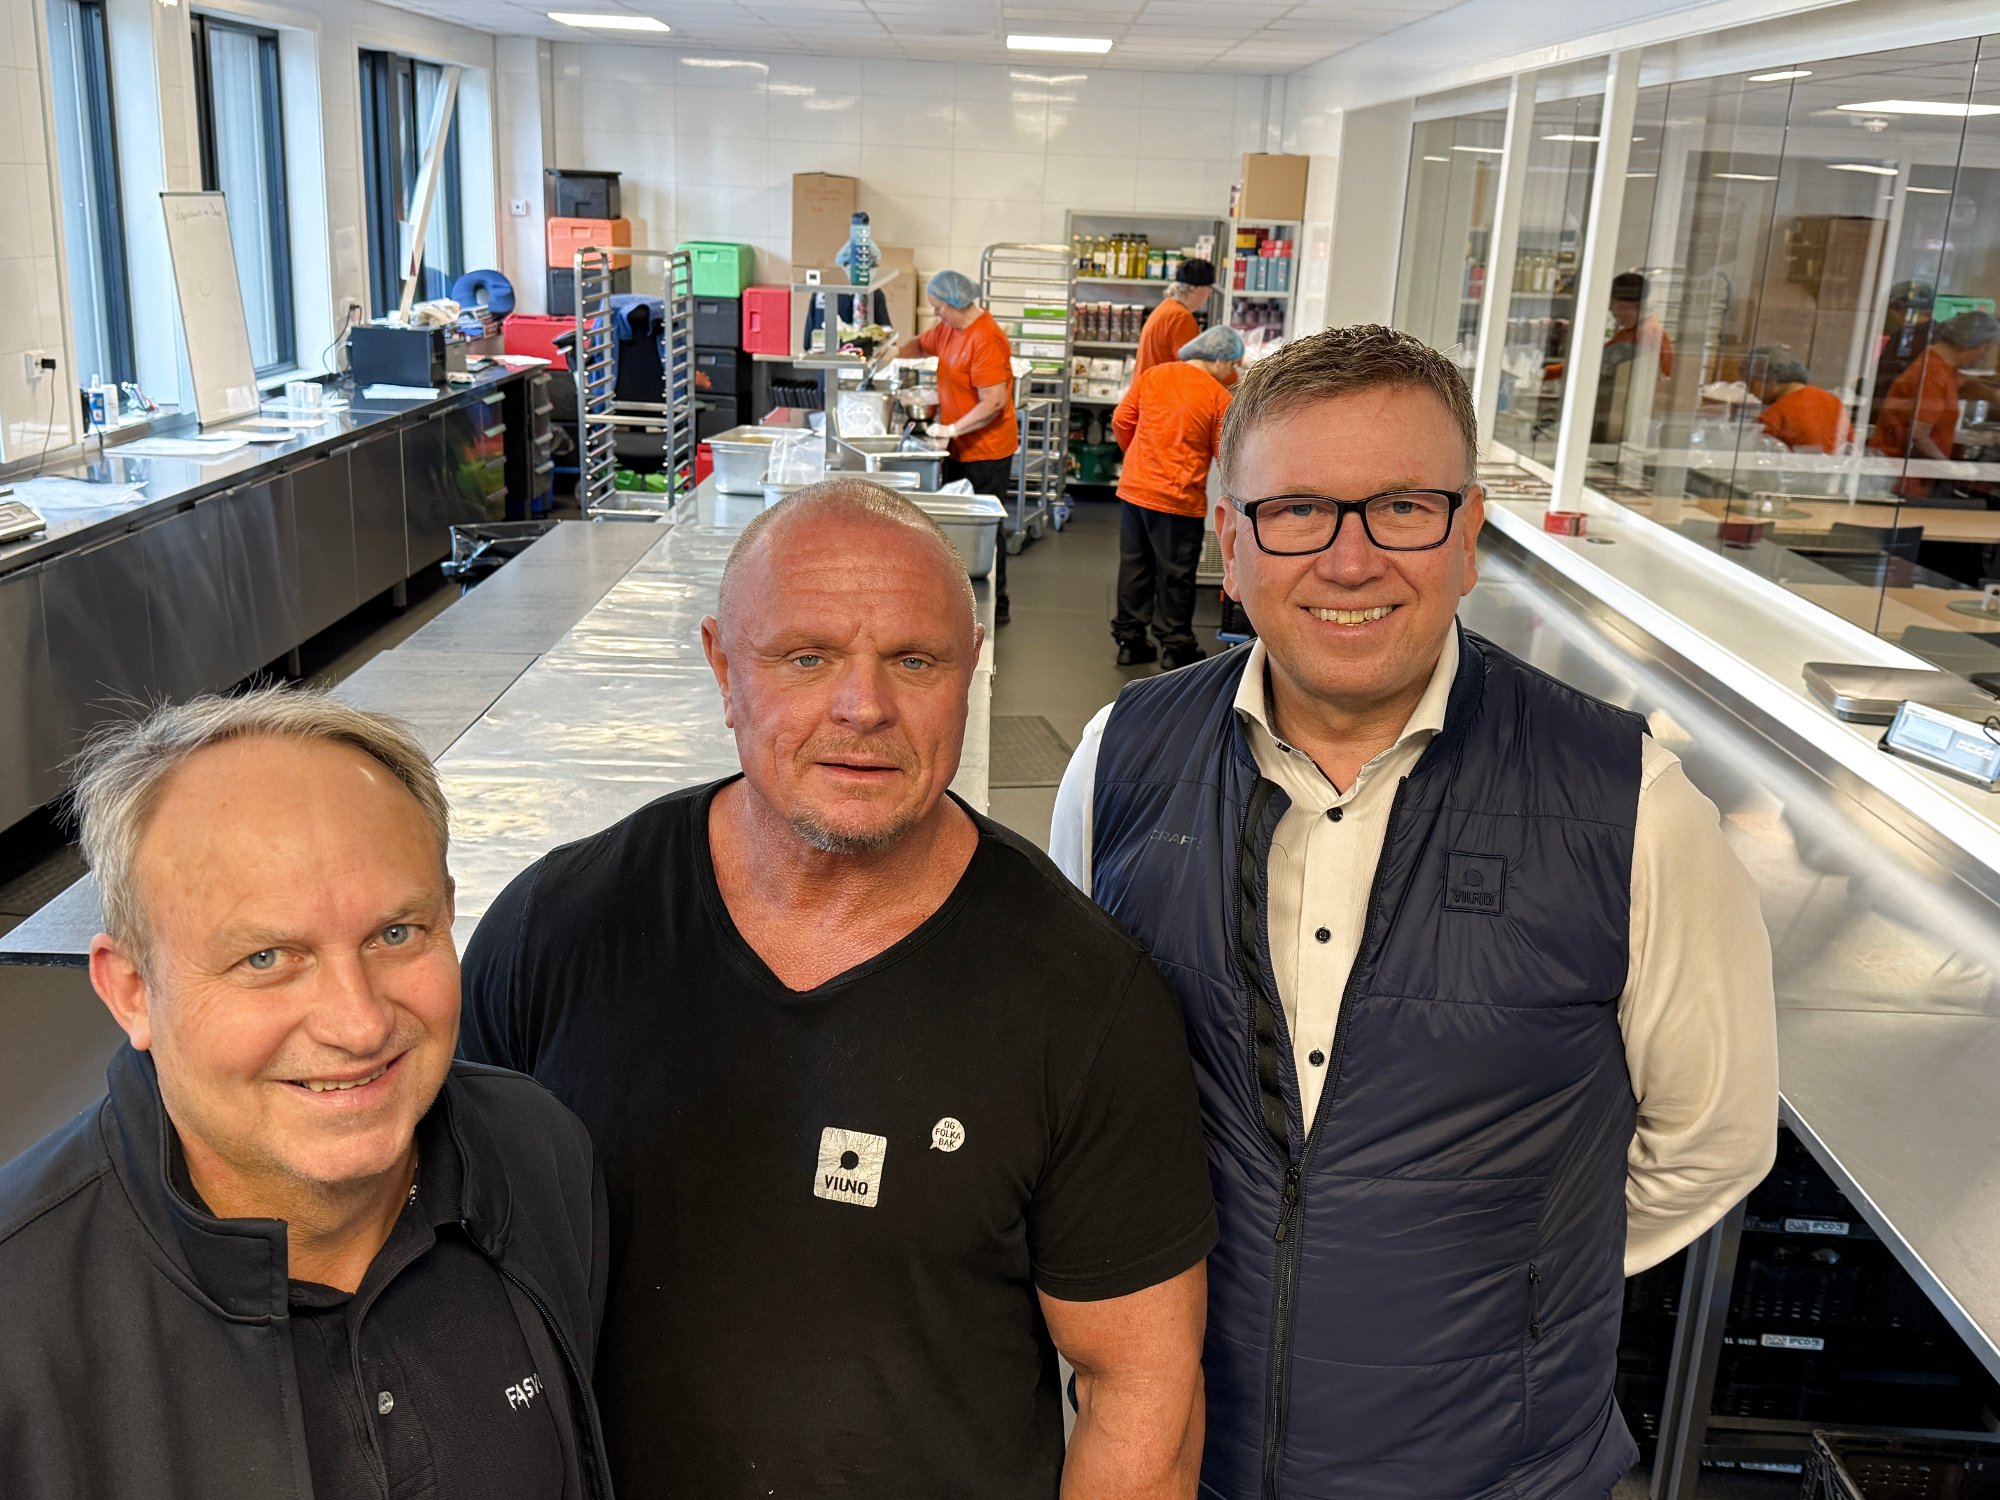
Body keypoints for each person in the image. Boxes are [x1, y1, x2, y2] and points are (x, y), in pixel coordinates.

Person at [1051, 326, 1780, 1498]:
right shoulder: (1118, 760)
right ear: (1228, 541)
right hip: (1184, 1457)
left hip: (1493, 1469)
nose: (1349, 562)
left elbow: (1713, 1138)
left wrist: (1518, 1281)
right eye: (1296, 510)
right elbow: (1069, 1092)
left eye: (1401, 508)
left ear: (1468, 534)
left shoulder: (1628, 805)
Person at [461, 479, 1217, 1500]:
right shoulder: (558, 929)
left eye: (914, 661)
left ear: (971, 671)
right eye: (805, 657)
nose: (863, 707)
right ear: (724, 669)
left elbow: (1140, 1391)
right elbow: (439, 1272)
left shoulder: (1085, 998)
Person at [0, 689, 610, 1500]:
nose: (359, 1025)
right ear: (132, 991)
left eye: (396, 934)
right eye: (267, 958)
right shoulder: (18, 1318)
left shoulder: (537, 1152)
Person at [877, 268, 1019, 622]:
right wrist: (893, 352)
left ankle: (997, 602)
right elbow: (921, 344)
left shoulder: (986, 338)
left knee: (983, 528)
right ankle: (959, 598)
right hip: (957, 445)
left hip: (987, 450)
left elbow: (994, 402)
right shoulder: (949, 328)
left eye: (939, 308)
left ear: (957, 303)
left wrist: (953, 428)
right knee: (957, 523)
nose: (936, 314)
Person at [1110, 324, 1243, 669]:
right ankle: (1175, 646)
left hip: (1135, 490)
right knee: (1175, 574)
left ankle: (1129, 641)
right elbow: (1227, 457)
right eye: (1232, 364)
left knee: (1135, 566)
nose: (1232, 372)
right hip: (1178, 500)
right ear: (1218, 360)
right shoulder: (1218, 397)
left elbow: (1122, 420)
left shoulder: (1154, 376)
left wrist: (1138, 458)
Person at [1870, 309, 2000, 498]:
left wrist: (1994, 394)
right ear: (1981, 347)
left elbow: (1967, 386)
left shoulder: (1941, 365)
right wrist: (1951, 468)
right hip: (1904, 475)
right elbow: (1918, 435)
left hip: (1916, 472)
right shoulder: (1932, 373)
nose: (1983, 356)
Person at [1746, 346, 1851, 453]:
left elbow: (1756, 452)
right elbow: (1851, 445)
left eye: (1751, 382)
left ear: (1772, 379)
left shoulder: (1776, 413)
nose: (1749, 390)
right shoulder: (1833, 401)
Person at [1134, 257, 1222, 381]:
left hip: (1148, 387)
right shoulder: (1181, 318)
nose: (1209, 294)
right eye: (1209, 288)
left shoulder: (1167, 307)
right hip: (1160, 389)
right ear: (1194, 287)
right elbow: (1194, 367)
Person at [1605, 270, 1674, 378]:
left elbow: (1643, 377)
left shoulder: (1648, 332)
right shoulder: (1626, 333)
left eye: (1613, 302)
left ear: (1633, 304)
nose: (1610, 308)